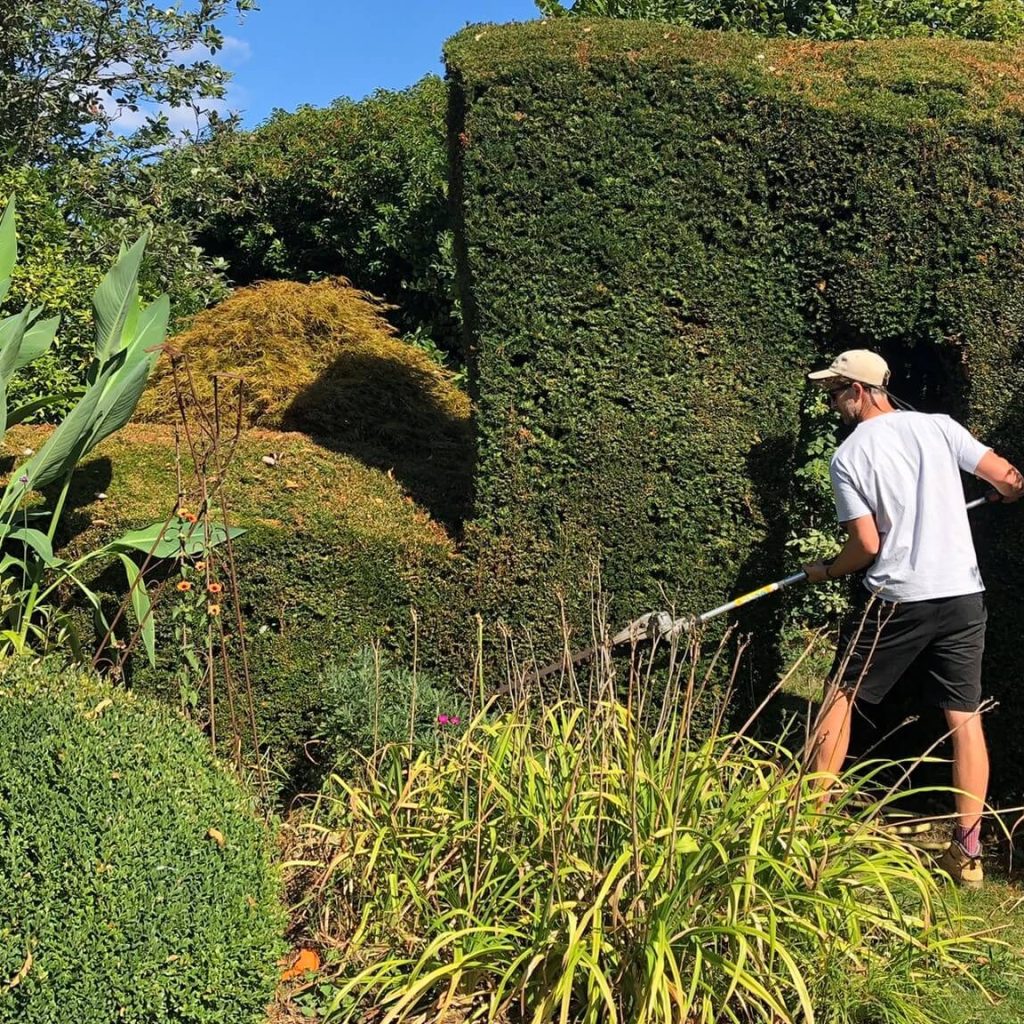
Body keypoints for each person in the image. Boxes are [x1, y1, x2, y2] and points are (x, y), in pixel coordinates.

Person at [802, 349, 1023, 889]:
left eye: (835, 393)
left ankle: (804, 829)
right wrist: (1000, 492)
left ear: (860, 391)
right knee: (964, 717)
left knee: (840, 696)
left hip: (899, 597)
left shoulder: (849, 457)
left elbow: (866, 546)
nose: (833, 405)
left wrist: (827, 570)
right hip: (962, 594)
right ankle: (966, 853)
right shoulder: (940, 428)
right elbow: (1013, 479)